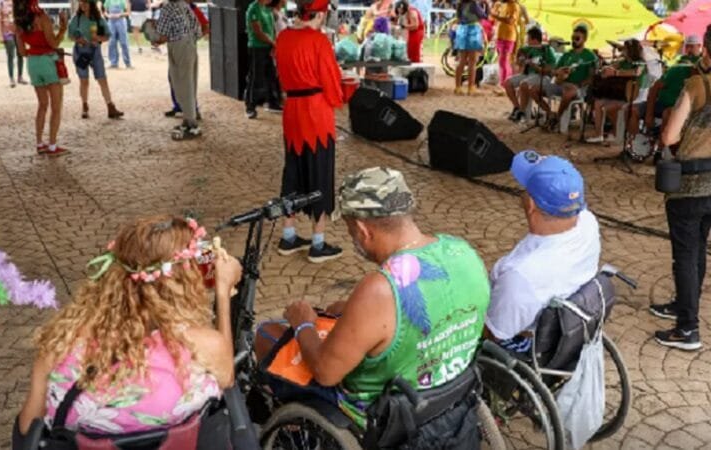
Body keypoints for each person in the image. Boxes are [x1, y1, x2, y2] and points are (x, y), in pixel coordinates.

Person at [256, 167, 490, 440]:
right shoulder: (463, 251)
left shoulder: (380, 289)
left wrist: (303, 322)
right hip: (449, 396)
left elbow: (326, 372)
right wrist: (356, 311)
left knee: (267, 334)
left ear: (362, 229)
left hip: (383, 415)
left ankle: (293, 432)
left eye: (349, 229)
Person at [14, 215, 240, 442]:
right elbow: (227, 379)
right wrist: (223, 292)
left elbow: (27, 426)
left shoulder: (61, 344)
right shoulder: (202, 346)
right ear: (183, 281)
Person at [485, 151, 600, 349]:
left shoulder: (522, 276)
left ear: (531, 205)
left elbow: (494, 333)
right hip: (567, 326)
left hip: (526, 341)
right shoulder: (588, 223)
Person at [651, 25, 711, 351]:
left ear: (705, 49)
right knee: (698, 248)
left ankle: (687, 328)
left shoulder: (696, 84)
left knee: (686, 255)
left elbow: (669, 137)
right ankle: (683, 306)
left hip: (690, 184)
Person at [275, 0, 343, 263]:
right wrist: (340, 96)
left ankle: (289, 236)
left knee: (292, 170)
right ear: (321, 14)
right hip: (316, 112)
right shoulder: (319, 41)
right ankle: (318, 242)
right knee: (320, 172)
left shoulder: (283, 38)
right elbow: (332, 84)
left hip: (292, 110)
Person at [15, 0, 69, 156]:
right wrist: (63, 28)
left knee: (42, 105)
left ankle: (39, 142)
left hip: (32, 63)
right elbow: (53, 43)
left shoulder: (19, 22)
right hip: (47, 61)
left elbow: (22, 52)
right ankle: (52, 145)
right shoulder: (42, 18)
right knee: (56, 106)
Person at [628, 34, 703, 142]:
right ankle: (634, 147)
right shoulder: (677, 65)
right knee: (632, 109)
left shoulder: (701, 65)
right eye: (688, 46)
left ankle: (660, 150)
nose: (689, 49)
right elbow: (655, 88)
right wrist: (649, 114)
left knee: (668, 113)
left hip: (682, 107)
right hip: (662, 103)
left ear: (699, 46)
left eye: (692, 46)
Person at [532, 24, 597, 130]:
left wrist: (580, 84)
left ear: (584, 39)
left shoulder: (589, 56)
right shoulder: (567, 54)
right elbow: (554, 71)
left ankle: (557, 117)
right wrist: (558, 72)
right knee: (534, 89)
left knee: (569, 92)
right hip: (561, 84)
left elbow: (592, 76)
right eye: (572, 38)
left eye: (577, 38)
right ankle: (550, 114)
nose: (574, 41)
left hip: (578, 88)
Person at [69, 0, 124, 120]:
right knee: (84, 81)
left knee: (102, 79)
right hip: (80, 52)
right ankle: (84, 106)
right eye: (81, 3)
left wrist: (98, 38)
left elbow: (108, 35)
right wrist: (78, 40)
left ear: (91, 4)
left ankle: (110, 106)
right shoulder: (76, 18)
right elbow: (70, 35)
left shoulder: (98, 19)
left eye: (85, 3)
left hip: (95, 51)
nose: (83, 5)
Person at [155, 0, 202, 139]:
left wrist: (154, 38)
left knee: (181, 84)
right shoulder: (185, 5)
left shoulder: (167, 8)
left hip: (178, 46)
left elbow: (162, 35)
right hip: (191, 45)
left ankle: (192, 125)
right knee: (190, 83)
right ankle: (188, 121)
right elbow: (198, 31)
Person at [586, 39, 646, 144]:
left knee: (609, 108)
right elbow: (610, 67)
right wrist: (606, 70)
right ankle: (598, 134)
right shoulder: (623, 61)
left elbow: (636, 72)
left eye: (626, 49)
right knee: (598, 103)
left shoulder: (640, 62)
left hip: (633, 96)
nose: (624, 51)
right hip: (619, 94)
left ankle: (616, 133)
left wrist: (616, 73)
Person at [164, 0, 206, 119]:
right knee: (174, 77)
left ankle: (192, 110)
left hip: (184, 49)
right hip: (178, 47)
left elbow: (205, 26)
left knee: (186, 80)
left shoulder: (192, 9)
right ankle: (179, 106)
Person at [504, 26, 555, 122]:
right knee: (507, 83)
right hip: (527, 74)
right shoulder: (527, 49)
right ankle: (517, 108)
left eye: (528, 38)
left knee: (524, 83)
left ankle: (523, 113)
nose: (527, 41)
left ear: (534, 40)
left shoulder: (547, 50)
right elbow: (519, 63)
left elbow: (550, 68)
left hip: (541, 76)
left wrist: (535, 66)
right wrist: (519, 59)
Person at [244, 0, 282, 119]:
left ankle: (273, 103)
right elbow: (258, 32)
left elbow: (272, 29)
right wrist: (273, 43)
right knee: (256, 78)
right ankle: (250, 107)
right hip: (256, 48)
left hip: (268, 47)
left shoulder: (267, 9)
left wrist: (273, 44)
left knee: (271, 76)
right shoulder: (253, 9)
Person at [453, 0, 487, 96]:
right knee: (472, 61)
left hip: (462, 31)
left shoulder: (460, 4)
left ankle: (458, 86)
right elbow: (484, 16)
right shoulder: (474, 4)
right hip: (473, 31)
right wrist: (485, 5)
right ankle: (471, 87)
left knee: (461, 61)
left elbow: (458, 18)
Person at [0, 0, 26, 87]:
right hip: (7, 32)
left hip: (18, 31)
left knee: (20, 53)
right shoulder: (1, 3)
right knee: (10, 55)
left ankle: (20, 76)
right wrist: (0, 34)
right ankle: (11, 78)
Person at [490, 0, 520, 86]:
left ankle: (505, 84)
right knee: (502, 62)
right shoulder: (501, 4)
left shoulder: (514, 6)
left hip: (509, 37)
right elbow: (492, 18)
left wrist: (496, 16)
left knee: (503, 61)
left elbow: (510, 20)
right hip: (500, 36)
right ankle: (504, 83)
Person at [103, 0, 132, 69]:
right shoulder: (108, 1)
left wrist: (120, 15)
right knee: (111, 42)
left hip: (121, 21)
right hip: (111, 22)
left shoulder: (124, 1)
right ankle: (113, 63)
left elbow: (128, 12)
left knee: (123, 42)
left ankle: (128, 63)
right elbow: (105, 12)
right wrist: (108, 15)